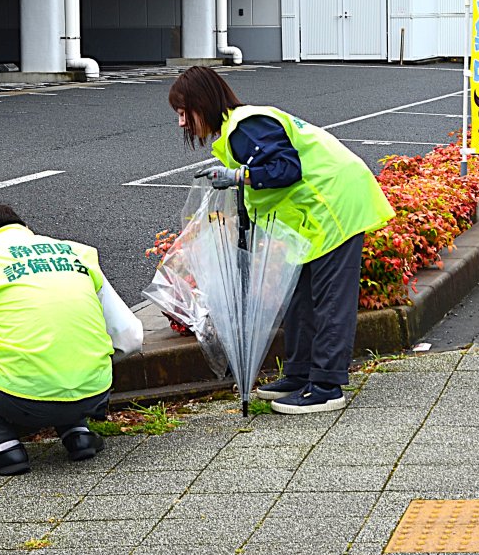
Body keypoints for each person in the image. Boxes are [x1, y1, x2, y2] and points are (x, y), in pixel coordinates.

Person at [169, 66, 395, 415]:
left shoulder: (246, 126)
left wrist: (237, 176)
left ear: (203, 102)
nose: (182, 124)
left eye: (185, 113)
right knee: (301, 298)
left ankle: (326, 387)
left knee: (329, 299)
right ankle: (299, 374)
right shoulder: (239, 128)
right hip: (316, 215)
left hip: (334, 206)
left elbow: (286, 169)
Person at [0, 204, 143, 477]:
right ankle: (78, 432)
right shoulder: (76, 252)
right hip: (95, 395)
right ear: (25, 229)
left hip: (25, 404)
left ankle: (0, 446)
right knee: (61, 341)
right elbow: (130, 338)